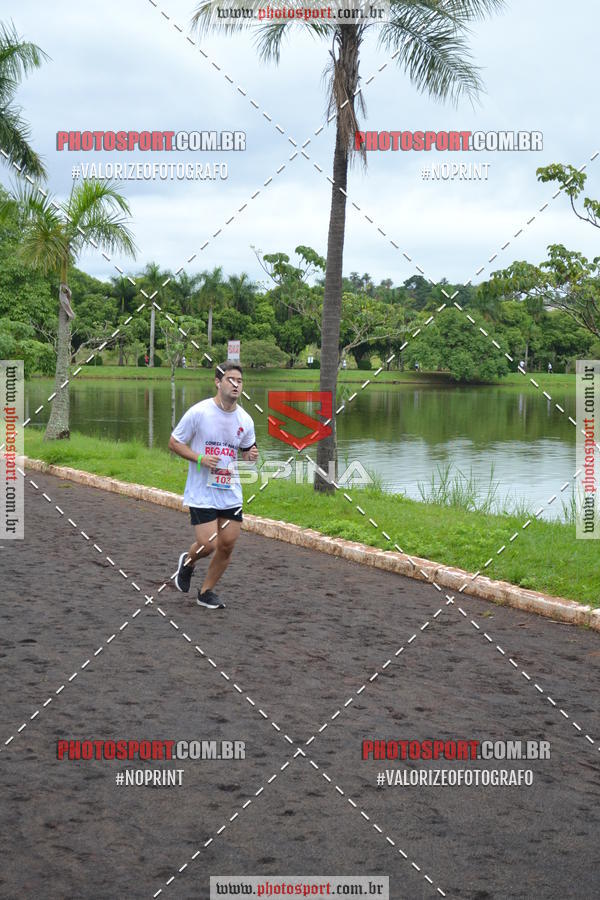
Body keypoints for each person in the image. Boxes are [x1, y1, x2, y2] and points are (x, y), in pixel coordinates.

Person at [168, 362, 258, 609]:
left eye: (240, 381)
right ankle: (188, 562)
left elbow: (247, 451)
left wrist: (250, 456)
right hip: (202, 491)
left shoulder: (245, 419)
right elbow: (174, 443)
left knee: (227, 545)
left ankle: (205, 592)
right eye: (230, 379)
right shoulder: (199, 412)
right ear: (218, 382)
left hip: (230, 491)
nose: (236, 385)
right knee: (209, 544)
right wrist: (200, 458)